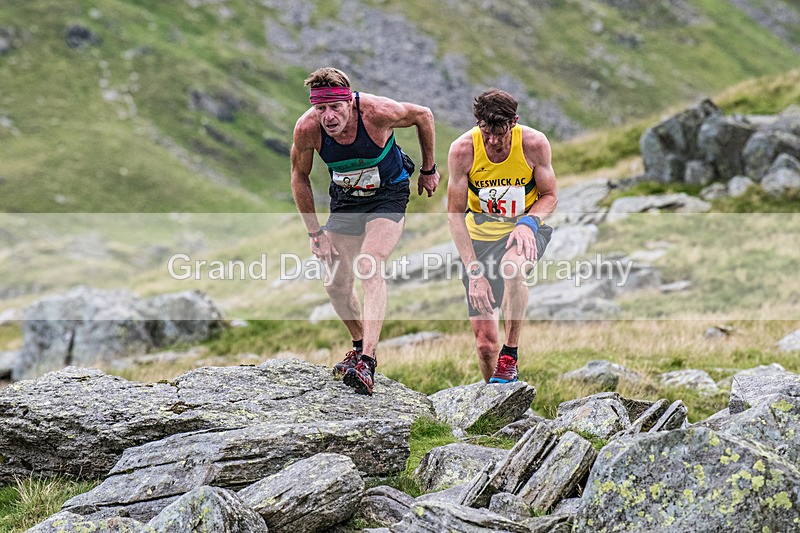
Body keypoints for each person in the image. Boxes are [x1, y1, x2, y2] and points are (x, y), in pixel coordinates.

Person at [291, 67, 440, 395]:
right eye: (321, 109)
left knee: (370, 265)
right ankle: (359, 347)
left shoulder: (377, 112)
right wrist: (314, 233)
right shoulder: (307, 129)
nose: (329, 117)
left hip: (388, 194)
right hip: (346, 200)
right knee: (335, 284)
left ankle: (368, 361)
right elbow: (299, 177)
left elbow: (424, 115)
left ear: (349, 101)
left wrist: (428, 169)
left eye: (336, 108)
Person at [447, 89, 558, 384]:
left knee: (512, 268)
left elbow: (549, 196)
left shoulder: (534, 144)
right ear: (477, 123)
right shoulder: (462, 151)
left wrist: (528, 223)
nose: (493, 141)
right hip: (479, 240)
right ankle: (496, 406)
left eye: (500, 132)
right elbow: (454, 214)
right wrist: (474, 272)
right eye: (486, 132)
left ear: (514, 122)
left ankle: (511, 353)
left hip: (523, 232)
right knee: (484, 345)